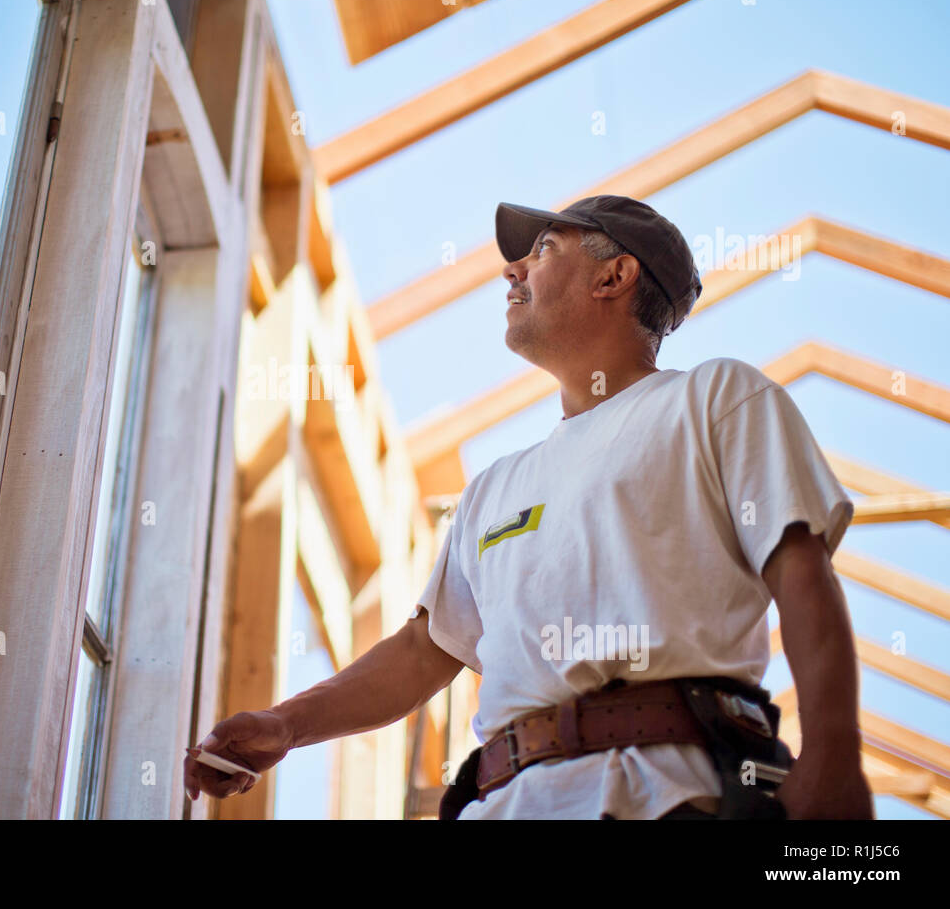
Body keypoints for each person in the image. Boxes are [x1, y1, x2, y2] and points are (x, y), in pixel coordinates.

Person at [184, 194, 874, 820]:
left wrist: (836, 757)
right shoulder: (494, 487)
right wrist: (286, 724)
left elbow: (803, 577)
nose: (512, 272)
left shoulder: (716, 400)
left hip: (673, 795)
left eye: (543, 250)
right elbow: (424, 652)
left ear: (614, 276)